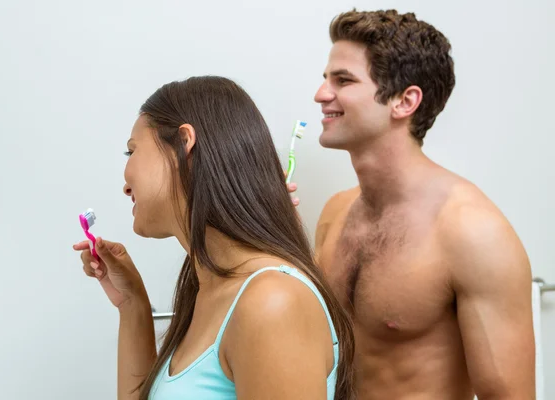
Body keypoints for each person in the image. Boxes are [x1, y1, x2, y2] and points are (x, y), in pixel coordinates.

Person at [290, 8, 535, 400]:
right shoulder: (334, 214)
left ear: (405, 101)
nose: (321, 94)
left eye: (343, 80)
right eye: (325, 79)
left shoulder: (472, 233)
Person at [73, 76, 356, 400]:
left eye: (132, 151)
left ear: (184, 143)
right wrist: (131, 304)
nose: (125, 184)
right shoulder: (208, 292)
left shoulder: (272, 302)